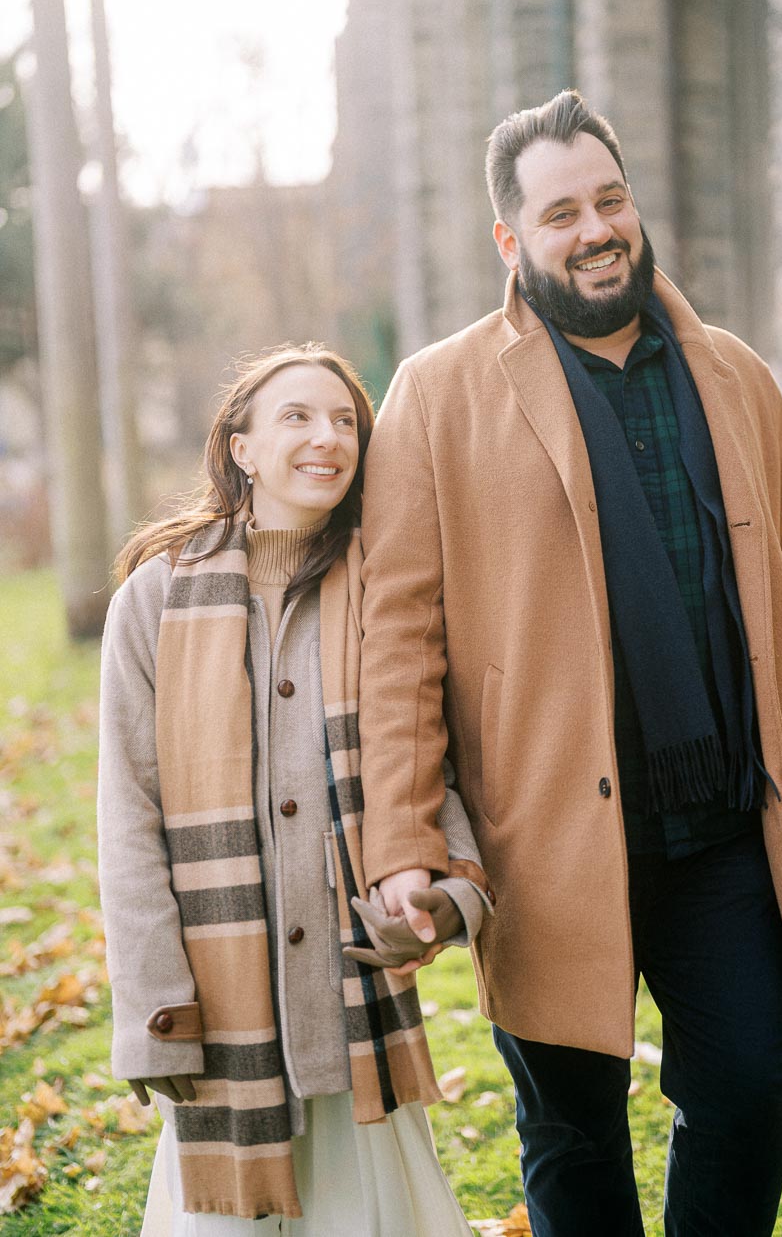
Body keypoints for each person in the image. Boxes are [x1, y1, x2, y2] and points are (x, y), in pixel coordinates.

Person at [357, 90, 782, 1236]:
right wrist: (402, 837)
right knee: (574, 1131)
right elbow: (399, 637)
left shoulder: (735, 373)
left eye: (610, 199)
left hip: (730, 825)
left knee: (744, 1093)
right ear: (512, 240)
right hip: (545, 833)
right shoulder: (437, 396)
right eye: (561, 213)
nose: (596, 229)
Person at [97, 345, 490, 1235]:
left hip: (351, 989)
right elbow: (129, 814)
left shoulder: (389, 585)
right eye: (298, 417)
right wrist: (154, 1000)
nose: (328, 437)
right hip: (218, 983)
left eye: (347, 420)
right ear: (240, 449)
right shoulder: (156, 599)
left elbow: (427, 750)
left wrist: (450, 890)